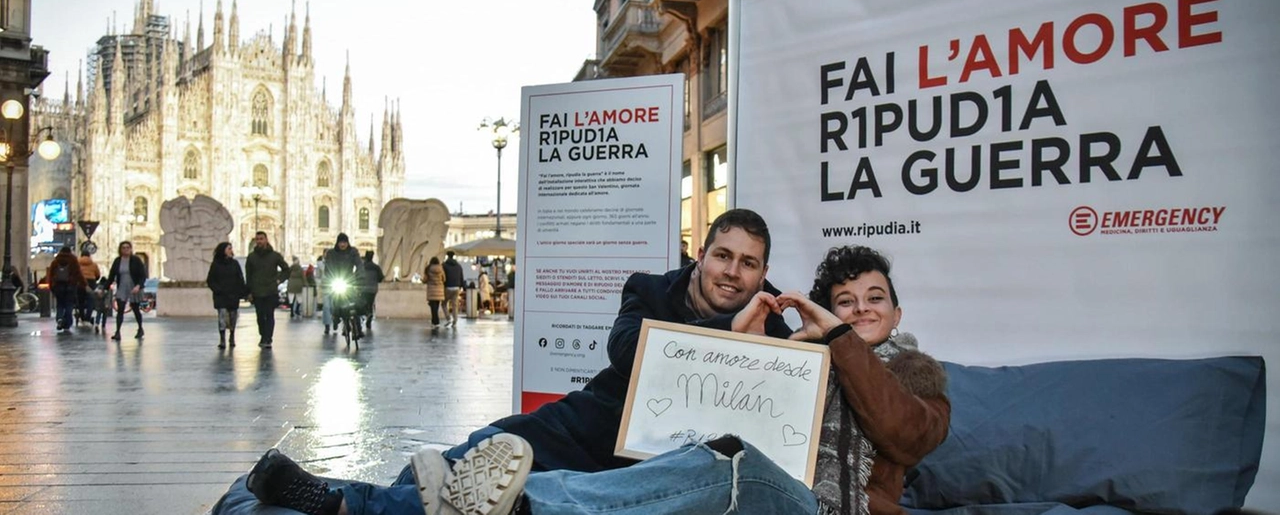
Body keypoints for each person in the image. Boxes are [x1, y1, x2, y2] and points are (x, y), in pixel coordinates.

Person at [242, 243, 950, 515]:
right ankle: (344, 503)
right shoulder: (797, 360)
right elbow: (703, 401)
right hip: (726, 487)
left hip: (819, 508)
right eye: (844, 301)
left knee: (726, 465)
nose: (859, 312)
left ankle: (512, 507)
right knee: (621, 481)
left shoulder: (916, 372)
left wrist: (830, 338)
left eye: (872, 301)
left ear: (897, 309)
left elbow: (905, 433)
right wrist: (743, 348)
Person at [245, 231, 289, 349]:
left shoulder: (275, 256)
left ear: (266, 240)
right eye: (257, 239)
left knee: (269, 315)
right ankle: (263, 335)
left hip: (270, 291)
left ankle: (268, 338)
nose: (259, 241)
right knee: (260, 316)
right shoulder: (251, 257)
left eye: (261, 239)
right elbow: (248, 275)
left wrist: (279, 280)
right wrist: (248, 292)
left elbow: (286, 270)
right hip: (257, 291)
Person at [207, 242, 248, 349]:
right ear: (223, 250)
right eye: (229, 248)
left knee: (233, 317)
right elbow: (210, 280)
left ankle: (232, 336)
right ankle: (222, 339)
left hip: (233, 295)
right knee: (222, 317)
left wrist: (243, 292)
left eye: (231, 248)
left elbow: (240, 278)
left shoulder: (235, 264)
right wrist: (217, 290)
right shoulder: (216, 264)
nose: (231, 250)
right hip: (221, 296)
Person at [105, 240, 148, 341]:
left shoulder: (136, 260)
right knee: (120, 310)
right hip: (122, 286)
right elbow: (111, 276)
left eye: (127, 248)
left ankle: (140, 328)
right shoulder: (117, 261)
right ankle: (117, 332)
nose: (125, 250)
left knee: (136, 309)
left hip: (134, 286)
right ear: (120, 250)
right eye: (123, 248)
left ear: (131, 249)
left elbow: (142, 275)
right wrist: (105, 288)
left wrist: (138, 286)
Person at [322, 233, 363, 337]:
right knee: (335, 301)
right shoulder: (331, 253)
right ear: (338, 243)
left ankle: (358, 328)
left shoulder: (353, 252)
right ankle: (336, 317)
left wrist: (359, 276)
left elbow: (359, 264)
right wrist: (329, 277)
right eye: (341, 242)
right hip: (336, 280)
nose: (343, 245)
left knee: (355, 304)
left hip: (349, 280)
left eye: (344, 242)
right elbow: (328, 268)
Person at [47, 246, 85, 332]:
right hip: (70, 285)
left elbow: (51, 274)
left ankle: (59, 319)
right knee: (69, 304)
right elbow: (78, 273)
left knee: (60, 304)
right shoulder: (73, 260)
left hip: (58, 285)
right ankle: (67, 323)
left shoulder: (56, 261)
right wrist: (84, 284)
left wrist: (51, 286)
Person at [78, 245, 102, 326]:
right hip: (91, 282)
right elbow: (98, 274)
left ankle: (82, 317)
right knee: (90, 301)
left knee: (80, 301)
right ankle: (88, 318)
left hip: (80, 282)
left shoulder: (77, 263)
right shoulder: (93, 264)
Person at [361, 249, 385, 332]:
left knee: (363, 302)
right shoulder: (376, 267)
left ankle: (367, 314)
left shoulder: (362, 266)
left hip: (363, 288)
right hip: (373, 288)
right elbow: (381, 277)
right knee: (370, 303)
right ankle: (369, 317)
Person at [442, 250, 463, 328]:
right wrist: (461, 285)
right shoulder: (458, 266)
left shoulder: (444, 265)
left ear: (447, 256)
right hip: (457, 287)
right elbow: (461, 277)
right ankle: (455, 321)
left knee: (444, 303)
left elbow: (443, 277)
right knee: (455, 305)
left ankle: (448, 318)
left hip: (448, 287)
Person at [424, 255, 445, 330]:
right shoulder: (441, 269)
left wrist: (423, 280)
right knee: (436, 306)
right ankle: (434, 321)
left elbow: (425, 279)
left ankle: (436, 322)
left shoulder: (428, 268)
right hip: (439, 290)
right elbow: (444, 279)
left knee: (433, 307)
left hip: (431, 290)